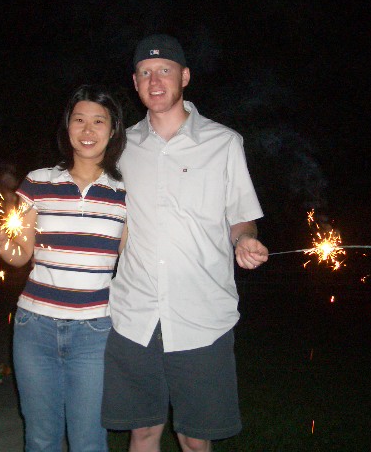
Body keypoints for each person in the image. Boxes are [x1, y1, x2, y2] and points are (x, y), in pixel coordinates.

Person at [101, 34, 269, 452]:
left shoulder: (224, 142)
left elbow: (240, 216)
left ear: (185, 77)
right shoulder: (121, 147)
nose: (155, 81)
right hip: (135, 315)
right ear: (135, 82)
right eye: (145, 72)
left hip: (201, 316)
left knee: (194, 439)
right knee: (142, 433)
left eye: (165, 70)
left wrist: (245, 239)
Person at [0, 84, 126, 452]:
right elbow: (20, 254)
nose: (87, 130)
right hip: (35, 327)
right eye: (79, 120)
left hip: (95, 331)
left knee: (89, 441)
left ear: (113, 130)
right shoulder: (38, 182)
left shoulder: (126, 192)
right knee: (41, 438)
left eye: (98, 121)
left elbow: (131, 260)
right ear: (67, 126)